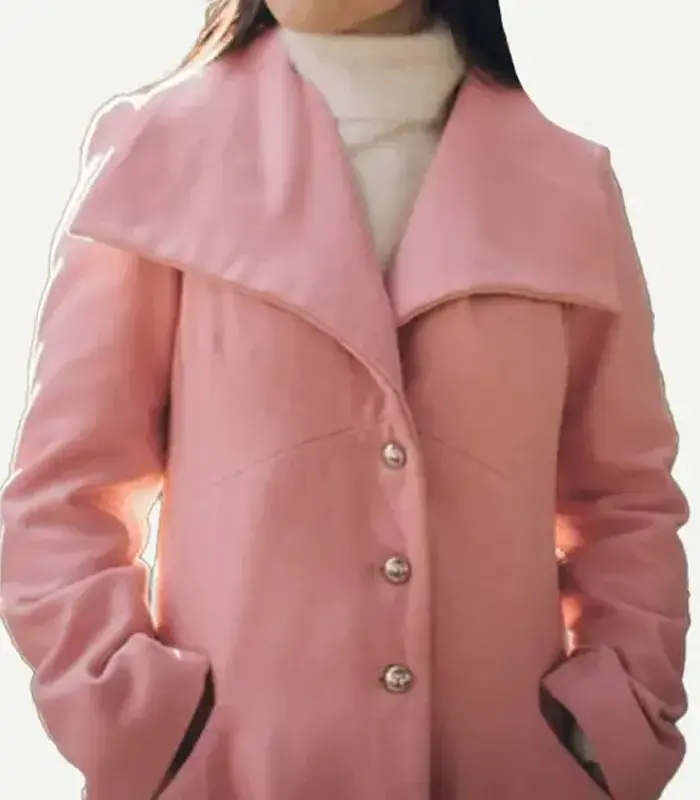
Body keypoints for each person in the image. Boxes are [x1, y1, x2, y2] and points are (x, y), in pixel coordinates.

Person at [0, 1, 689, 798]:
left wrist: (609, 732)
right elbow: (63, 496)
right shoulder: (159, 148)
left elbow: (624, 502)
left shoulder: (568, 182)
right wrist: (137, 720)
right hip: (236, 778)